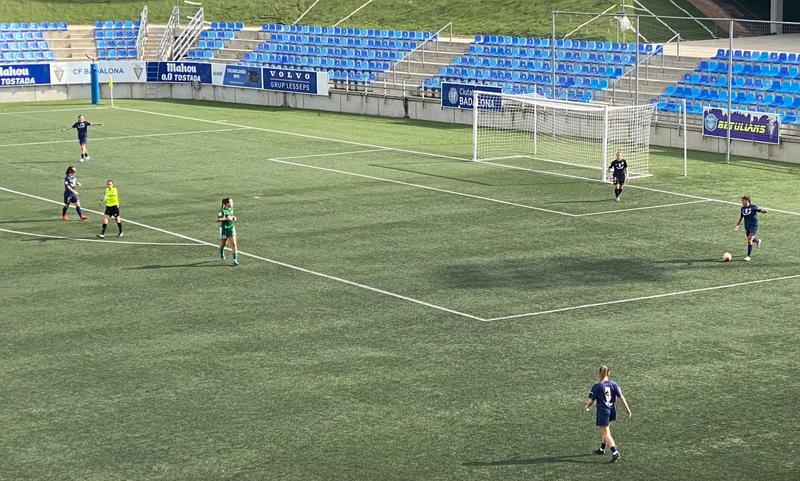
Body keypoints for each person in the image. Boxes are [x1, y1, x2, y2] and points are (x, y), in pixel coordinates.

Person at [585, 365, 632, 463]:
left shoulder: (597, 386)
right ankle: (602, 449)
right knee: (606, 429)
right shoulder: (613, 384)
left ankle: (615, 452)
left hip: (603, 412)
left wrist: (587, 406)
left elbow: (591, 401)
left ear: (599, 373)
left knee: (606, 432)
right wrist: (627, 409)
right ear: (609, 373)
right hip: (612, 410)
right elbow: (621, 397)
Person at [734, 195, 766, 262]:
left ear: (747, 200)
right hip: (747, 226)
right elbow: (741, 217)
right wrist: (737, 225)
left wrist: (764, 211)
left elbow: (760, 210)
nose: (742, 202)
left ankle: (748, 256)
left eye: (743, 200)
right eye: (742, 201)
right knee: (751, 239)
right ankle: (757, 241)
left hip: (754, 225)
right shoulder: (742, 208)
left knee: (749, 240)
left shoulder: (753, 207)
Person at [216, 197, 239, 266]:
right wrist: (226, 218)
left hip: (231, 228)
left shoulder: (231, 209)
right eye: (231, 202)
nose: (232, 203)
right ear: (226, 204)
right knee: (224, 244)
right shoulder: (222, 211)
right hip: (224, 229)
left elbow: (231, 216)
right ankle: (221, 251)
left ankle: (235, 260)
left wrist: (233, 218)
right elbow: (217, 220)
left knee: (234, 244)